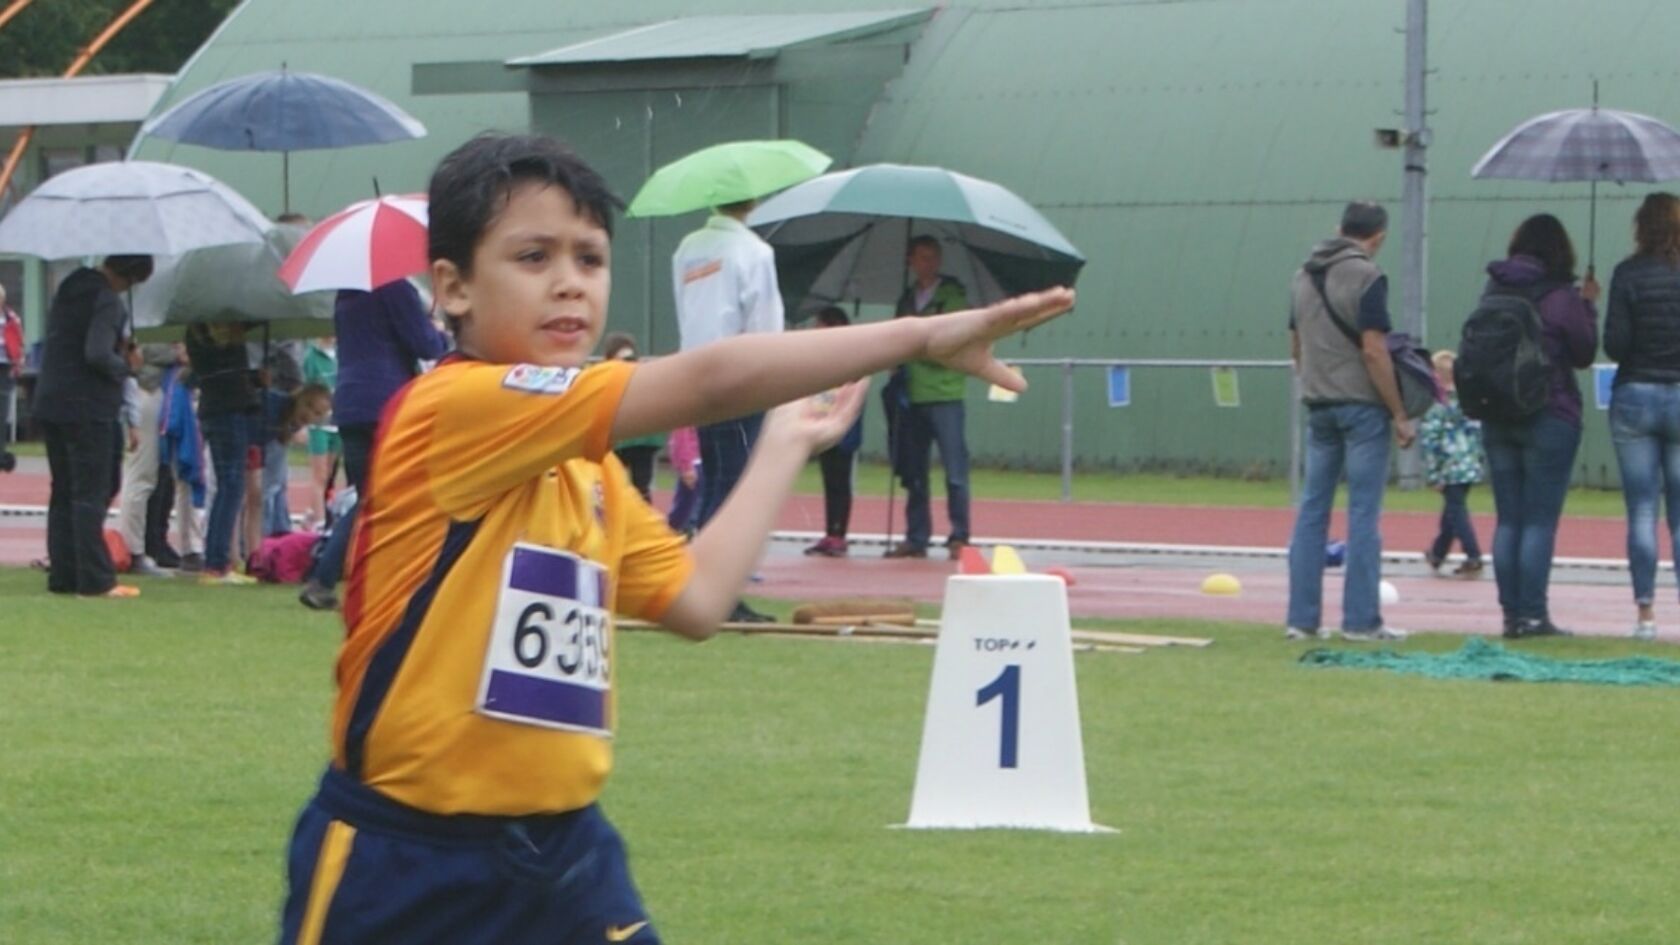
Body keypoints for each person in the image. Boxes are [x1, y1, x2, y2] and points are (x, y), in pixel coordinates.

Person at [273, 132, 1072, 945]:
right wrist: (919, 335)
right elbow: (712, 378)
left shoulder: (589, 471)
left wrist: (783, 445)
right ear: (452, 288)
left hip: (565, 856)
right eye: (533, 256)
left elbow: (694, 600)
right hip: (408, 863)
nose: (569, 285)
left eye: (590, 258)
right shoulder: (453, 408)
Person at [1284, 202, 1413, 642]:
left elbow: (1296, 343)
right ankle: (1361, 621)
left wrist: (1313, 381)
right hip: (1362, 407)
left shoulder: (1301, 277)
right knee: (1363, 514)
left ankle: (1301, 620)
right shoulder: (1368, 276)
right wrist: (1398, 411)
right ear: (1377, 237)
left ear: (1339, 228)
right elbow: (1374, 350)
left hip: (1319, 403)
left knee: (1311, 511)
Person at [297, 280, 449, 611]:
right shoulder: (396, 288)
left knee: (368, 496)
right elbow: (424, 344)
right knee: (387, 497)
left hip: (351, 401)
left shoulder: (346, 295)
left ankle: (332, 575)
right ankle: (330, 577)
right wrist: (439, 333)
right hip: (388, 400)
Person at [1480, 214, 1599, 639]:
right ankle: (1533, 615)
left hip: (1496, 414)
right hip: (1551, 412)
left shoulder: (1493, 288)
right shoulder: (1561, 295)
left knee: (1508, 519)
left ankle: (1511, 616)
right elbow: (1584, 352)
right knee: (1539, 521)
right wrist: (1587, 305)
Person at [672, 193, 784, 622]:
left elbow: (687, 311)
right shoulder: (755, 251)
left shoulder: (688, 248)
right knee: (734, 485)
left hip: (697, 374)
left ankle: (703, 582)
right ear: (753, 200)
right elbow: (766, 324)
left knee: (714, 478)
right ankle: (719, 592)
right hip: (742, 377)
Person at [31, 255, 153, 598]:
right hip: (89, 405)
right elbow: (97, 353)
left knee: (64, 490)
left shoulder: (69, 287)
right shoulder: (108, 301)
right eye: (131, 284)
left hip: (52, 400)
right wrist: (126, 365)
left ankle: (64, 573)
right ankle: (96, 579)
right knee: (92, 490)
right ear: (125, 277)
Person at [1605, 193, 1680, 641]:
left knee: (1641, 509)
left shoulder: (1627, 274)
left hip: (1635, 393)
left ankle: (1646, 615)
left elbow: (1615, 345)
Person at [884, 236, 973, 560]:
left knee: (955, 470)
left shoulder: (954, 296)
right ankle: (916, 536)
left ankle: (960, 535)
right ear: (911, 260)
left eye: (934, 257)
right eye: (922, 257)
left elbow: (947, 342)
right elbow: (897, 341)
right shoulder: (906, 300)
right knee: (914, 470)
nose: (929, 263)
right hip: (912, 395)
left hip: (946, 393)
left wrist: (916, 347)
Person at [118, 343, 182, 577]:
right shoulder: (140, 315)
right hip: (147, 390)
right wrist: (176, 353)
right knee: (141, 474)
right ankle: (132, 550)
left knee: (154, 475)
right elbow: (139, 350)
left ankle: (143, 546)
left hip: (157, 391)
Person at [805, 306, 865, 557]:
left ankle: (839, 534)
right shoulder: (821, 357)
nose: (816, 330)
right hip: (824, 425)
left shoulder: (854, 357)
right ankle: (830, 532)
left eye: (821, 325)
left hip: (844, 429)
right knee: (830, 481)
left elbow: (853, 393)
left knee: (841, 482)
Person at [1419, 350, 1484, 579]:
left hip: (1449, 467)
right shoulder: (1469, 403)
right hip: (1468, 464)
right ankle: (1437, 553)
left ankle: (1473, 554)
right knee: (1452, 510)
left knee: (1456, 511)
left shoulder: (1437, 407)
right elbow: (1478, 432)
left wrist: (1434, 474)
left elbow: (1431, 440)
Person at [601, 332, 663, 501]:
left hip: (640, 440)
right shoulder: (606, 376)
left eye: (630, 358)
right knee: (614, 487)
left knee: (640, 488)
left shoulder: (642, 375)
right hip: (622, 440)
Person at [302, 337, 340, 531]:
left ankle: (314, 512)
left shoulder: (341, 352)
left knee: (329, 474)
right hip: (318, 424)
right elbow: (304, 388)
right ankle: (319, 522)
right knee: (320, 473)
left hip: (337, 422)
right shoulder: (311, 356)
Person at [0, 284, 21, 472]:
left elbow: (17, 342)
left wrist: (17, 362)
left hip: (5, 368)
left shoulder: (11, 319)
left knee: (2, 412)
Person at [665, 425, 701, 535]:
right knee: (687, 503)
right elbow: (680, 441)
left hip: (697, 461)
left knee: (691, 501)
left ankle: (682, 529)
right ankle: (674, 531)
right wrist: (686, 466)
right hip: (693, 463)